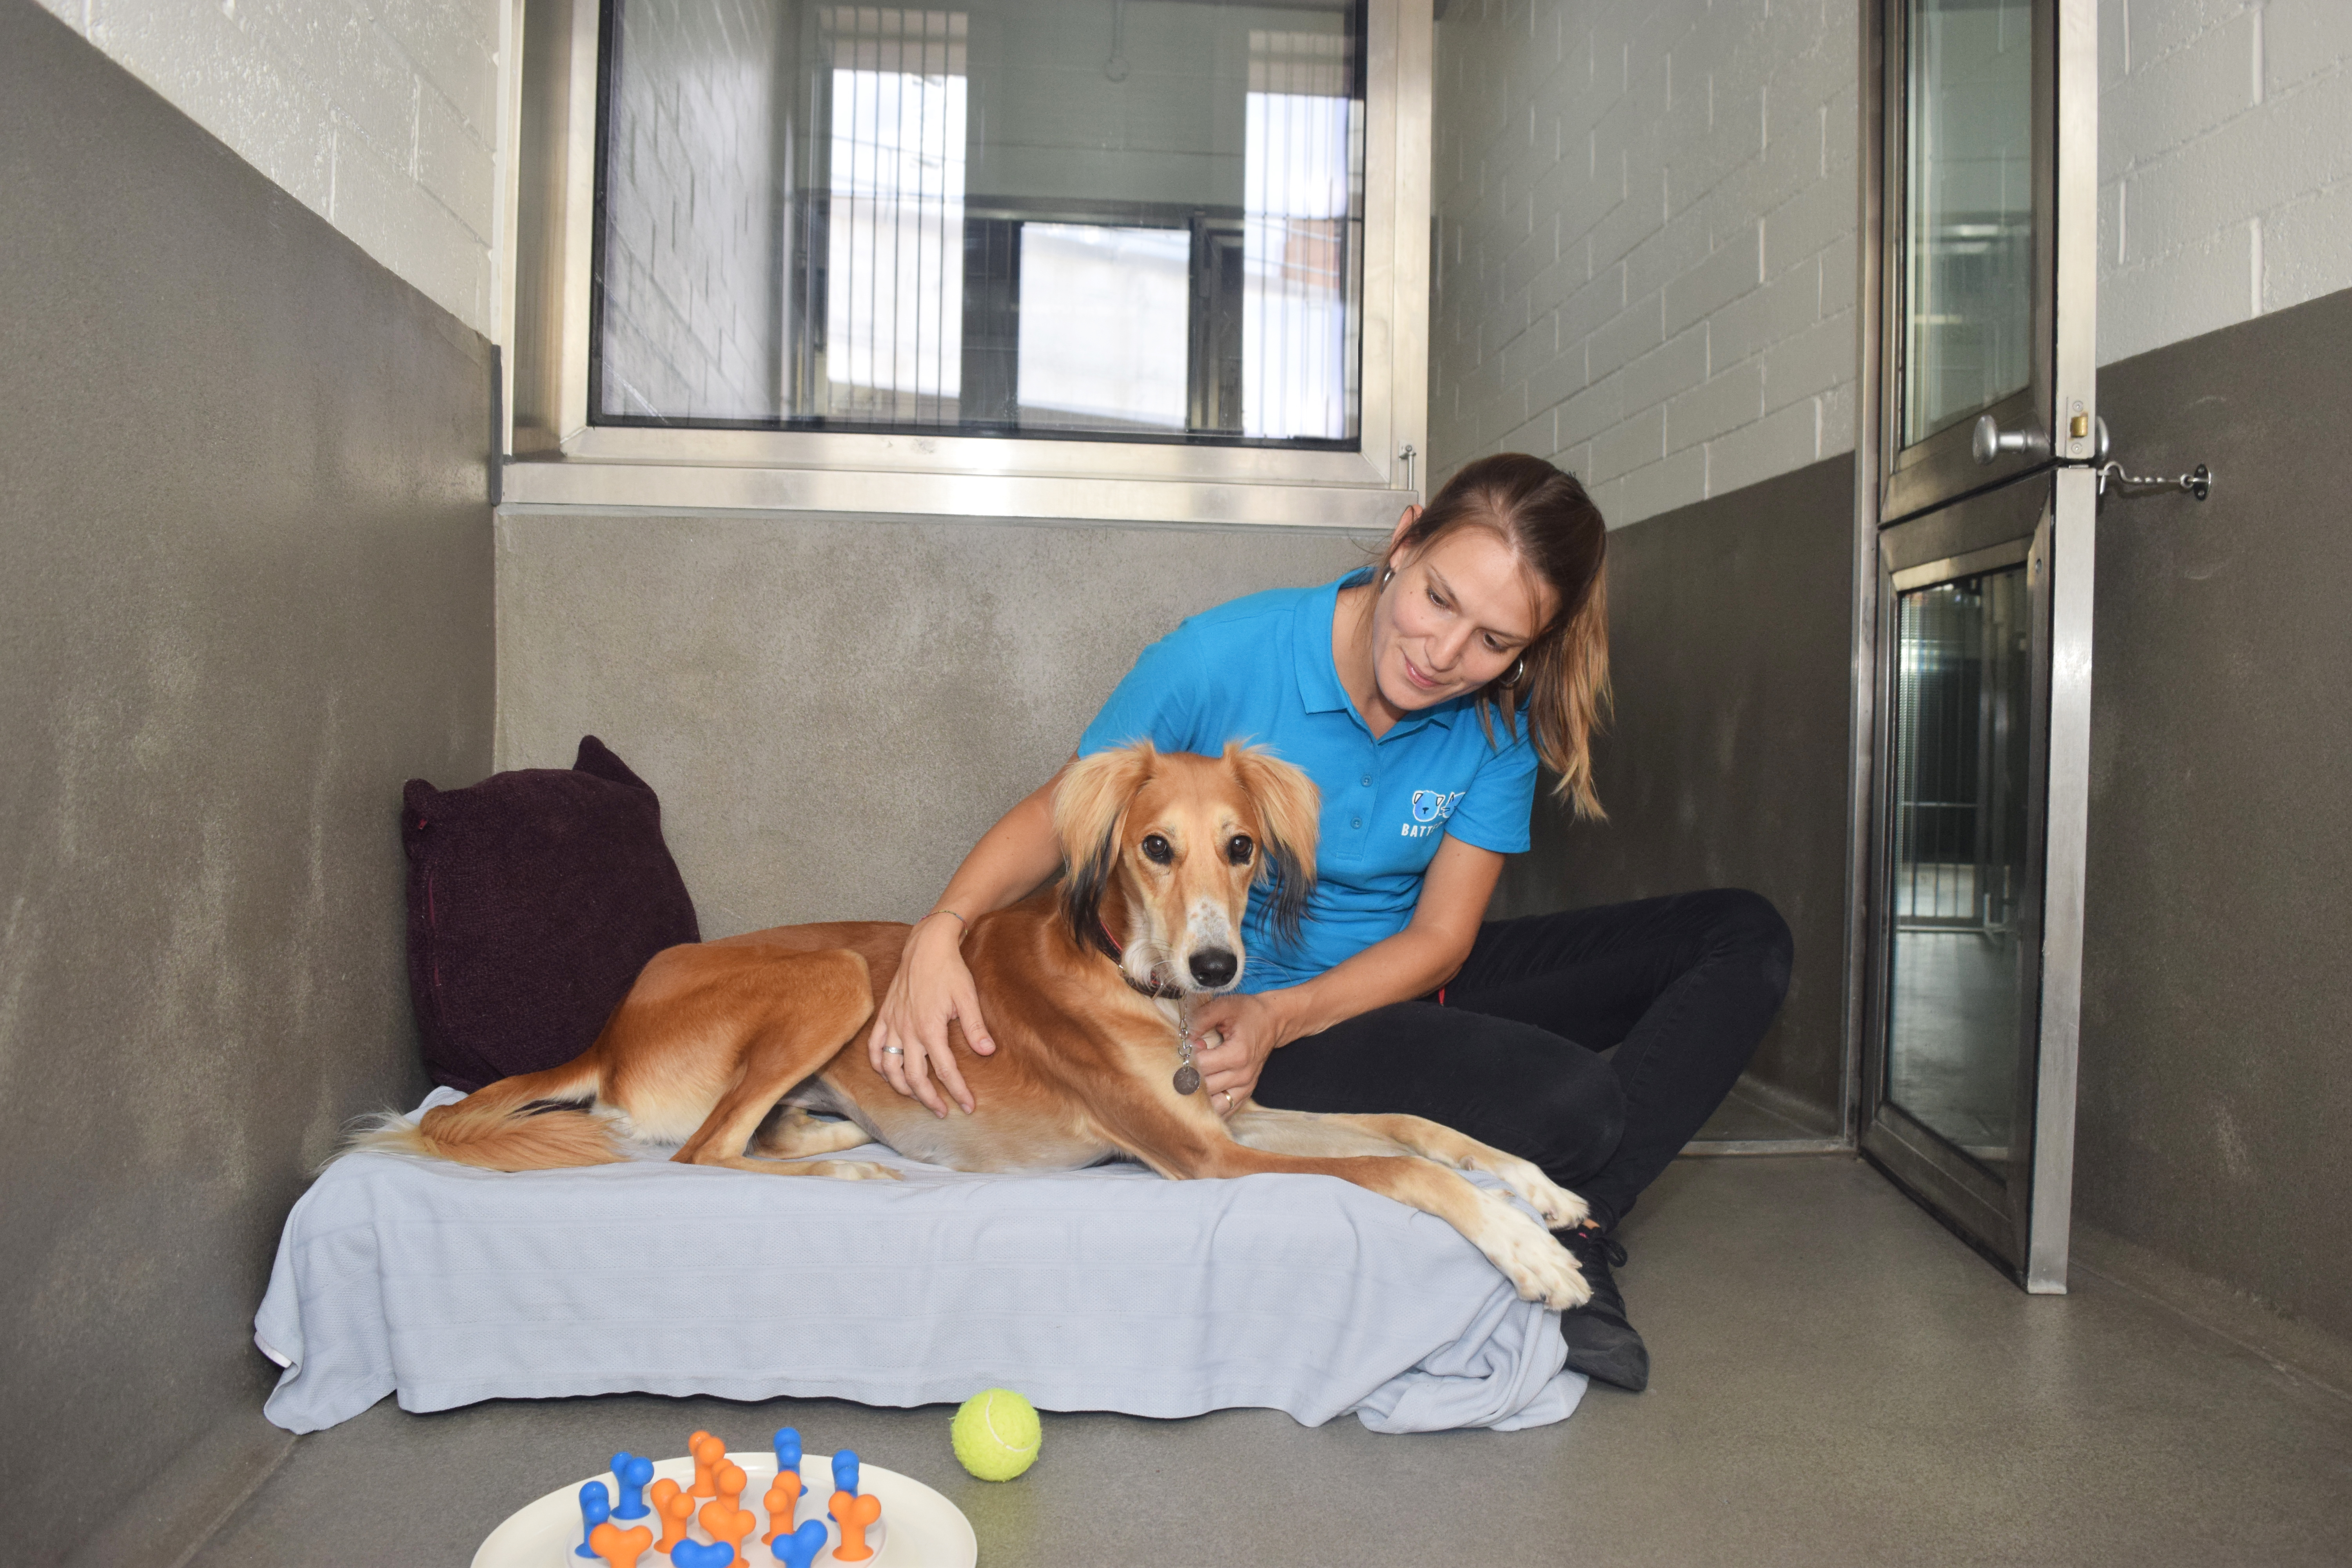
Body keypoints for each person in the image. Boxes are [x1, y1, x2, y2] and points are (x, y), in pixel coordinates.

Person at [864, 452, 1792, 1393]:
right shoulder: (1221, 655)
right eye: (1438, 598)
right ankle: (1570, 1217)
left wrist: (1301, 1009)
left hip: (1387, 980)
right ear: (1404, 540)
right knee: (1574, 1105)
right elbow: (1063, 810)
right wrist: (941, 930)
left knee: (1741, 934)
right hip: (1254, 1013)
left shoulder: (1495, 728)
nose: (1443, 652)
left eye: (1493, 641)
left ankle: (1581, 1220)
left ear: (1527, 650)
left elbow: (1441, 939)